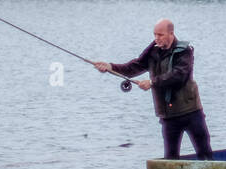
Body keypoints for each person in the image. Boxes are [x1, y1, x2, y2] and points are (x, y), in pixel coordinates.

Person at [92, 18, 214, 160]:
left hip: (191, 113)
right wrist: (110, 67)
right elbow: (135, 66)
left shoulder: (185, 51)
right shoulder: (153, 49)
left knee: (205, 154)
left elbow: (178, 76)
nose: (156, 38)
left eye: (160, 35)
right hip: (168, 117)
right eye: (155, 34)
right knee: (170, 159)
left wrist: (152, 82)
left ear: (171, 34)